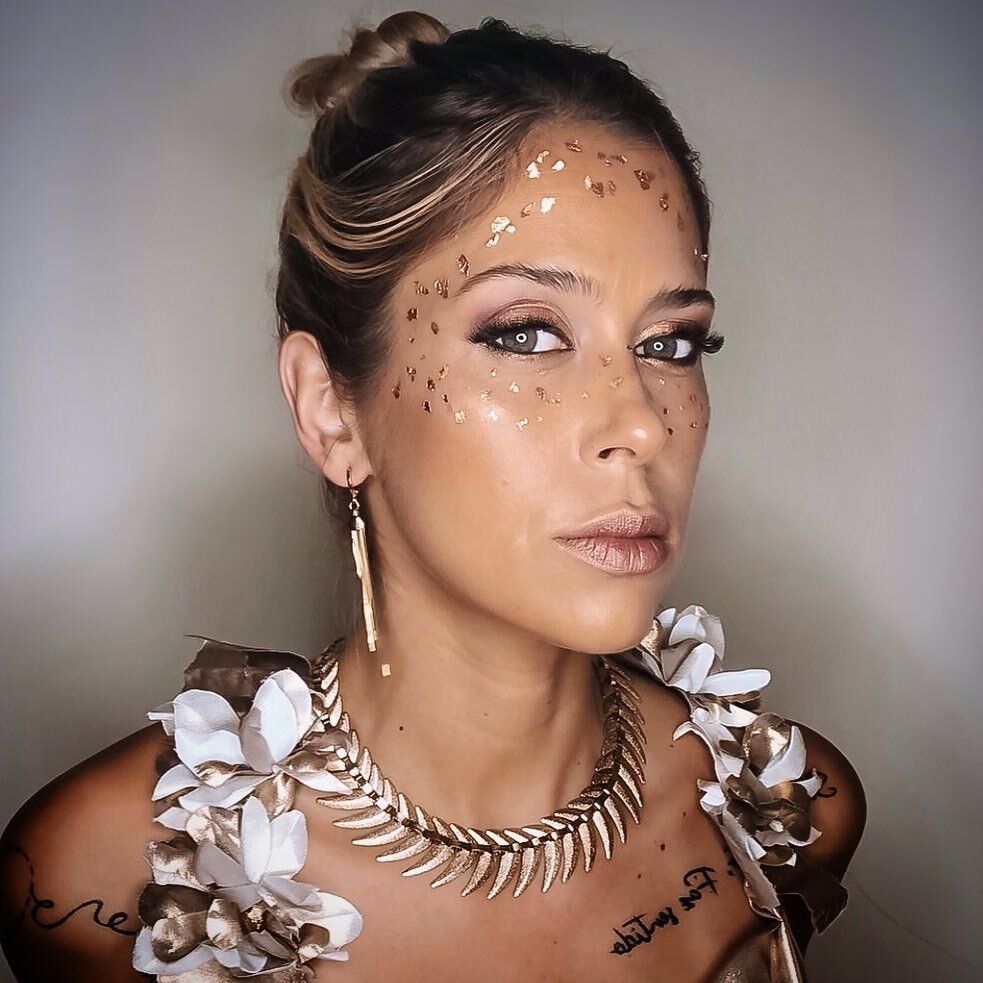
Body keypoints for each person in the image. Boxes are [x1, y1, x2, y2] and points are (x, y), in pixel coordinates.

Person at [0, 11, 866, 982]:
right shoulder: (112, 881)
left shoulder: (783, 807)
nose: (641, 424)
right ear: (331, 409)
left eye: (670, 342)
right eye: (526, 332)